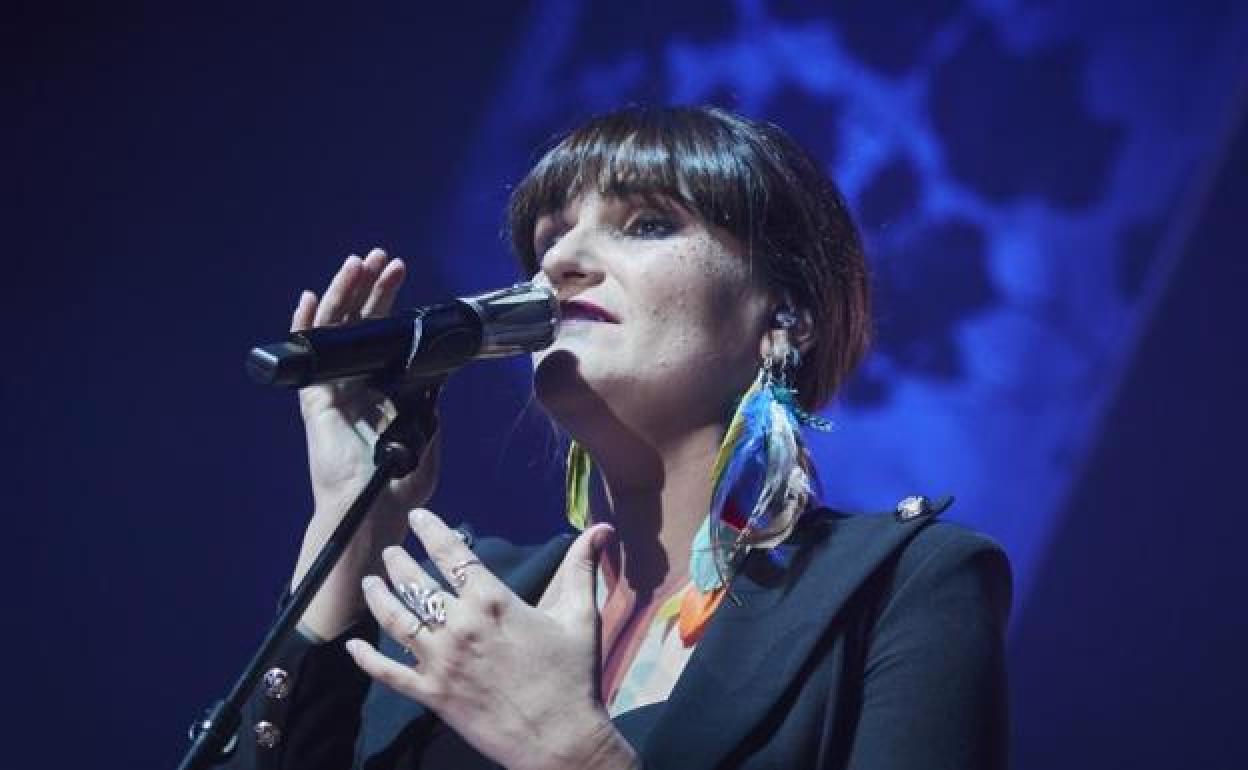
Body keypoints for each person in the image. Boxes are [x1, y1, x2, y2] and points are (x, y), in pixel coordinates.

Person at [226, 105, 1011, 769]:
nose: (561, 261)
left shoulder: (900, 587)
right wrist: (351, 519)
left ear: (785, 314)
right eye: (548, 240)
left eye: (647, 224)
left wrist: (573, 753)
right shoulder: (468, 602)